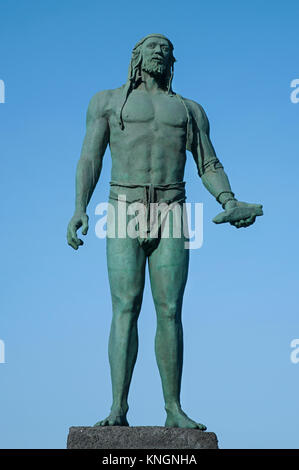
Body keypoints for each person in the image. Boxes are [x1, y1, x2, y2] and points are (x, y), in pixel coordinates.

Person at [67, 34, 263, 429]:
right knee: (125, 308)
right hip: (123, 207)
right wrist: (79, 208)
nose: (160, 50)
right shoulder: (106, 102)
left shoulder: (189, 110)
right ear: (136, 55)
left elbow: (208, 162)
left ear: (173, 59)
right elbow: (90, 155)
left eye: (166, 47)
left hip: (172, 208)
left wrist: (229, 200)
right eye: (152, 45)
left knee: (170, 311)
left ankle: (173, 408)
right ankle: (118, 409)